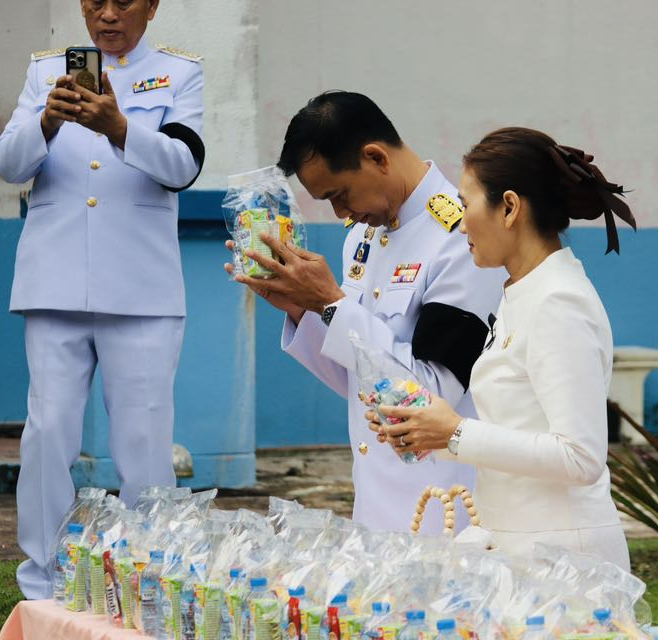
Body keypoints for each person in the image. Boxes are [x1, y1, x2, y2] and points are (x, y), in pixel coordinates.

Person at [0, 0, 205, 599]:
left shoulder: (179, 72)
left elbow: (184, 165)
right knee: (47, 434)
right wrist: (45, 123)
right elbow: (7, 163)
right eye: (94, 2)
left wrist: (120, 128)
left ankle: (148, 585)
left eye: (123, 2)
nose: (107, 15)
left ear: (152, 6)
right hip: (54, 282)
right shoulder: (46, 70)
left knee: (144, 442)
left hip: (140, 289)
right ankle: (42, 581)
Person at [226, 91, 505, 534]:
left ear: (376, 157)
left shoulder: (460, 236)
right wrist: (302, 310)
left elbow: (431, 395)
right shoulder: (362, 237)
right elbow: (362, 384)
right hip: (375, 500)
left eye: (339, 194)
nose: (340, 212)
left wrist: (331, 304)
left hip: (443, 504)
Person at [368, 127, 636, 569]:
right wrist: (426, 429)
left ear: (509, 207)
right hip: (520, 550)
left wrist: (455, 432)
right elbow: (517, 423)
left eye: (466, 203)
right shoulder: (521, 291)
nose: (459, 222)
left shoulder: (557, 300)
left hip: (566, 563)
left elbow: (581, 456)